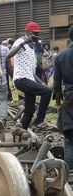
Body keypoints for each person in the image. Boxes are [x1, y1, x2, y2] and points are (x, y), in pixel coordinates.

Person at [7, 22, 52, 130]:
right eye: (34, 33)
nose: (36, 35)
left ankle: (22, 130)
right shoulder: (20, 41)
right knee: (47, 91)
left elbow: (31, 71)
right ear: (27, 32)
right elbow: (9, 55)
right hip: (21, 79)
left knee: (30, 109)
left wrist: (41, 82)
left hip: (29, 79)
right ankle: (40, 121)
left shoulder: (32, 49)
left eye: (37, 33)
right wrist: (23, 43)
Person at [54, 25, 73, 173]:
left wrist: (58, 104)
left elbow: (56, 84)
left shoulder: (60, 56)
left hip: (70, 100)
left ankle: (65, 176)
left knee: (69, 140)